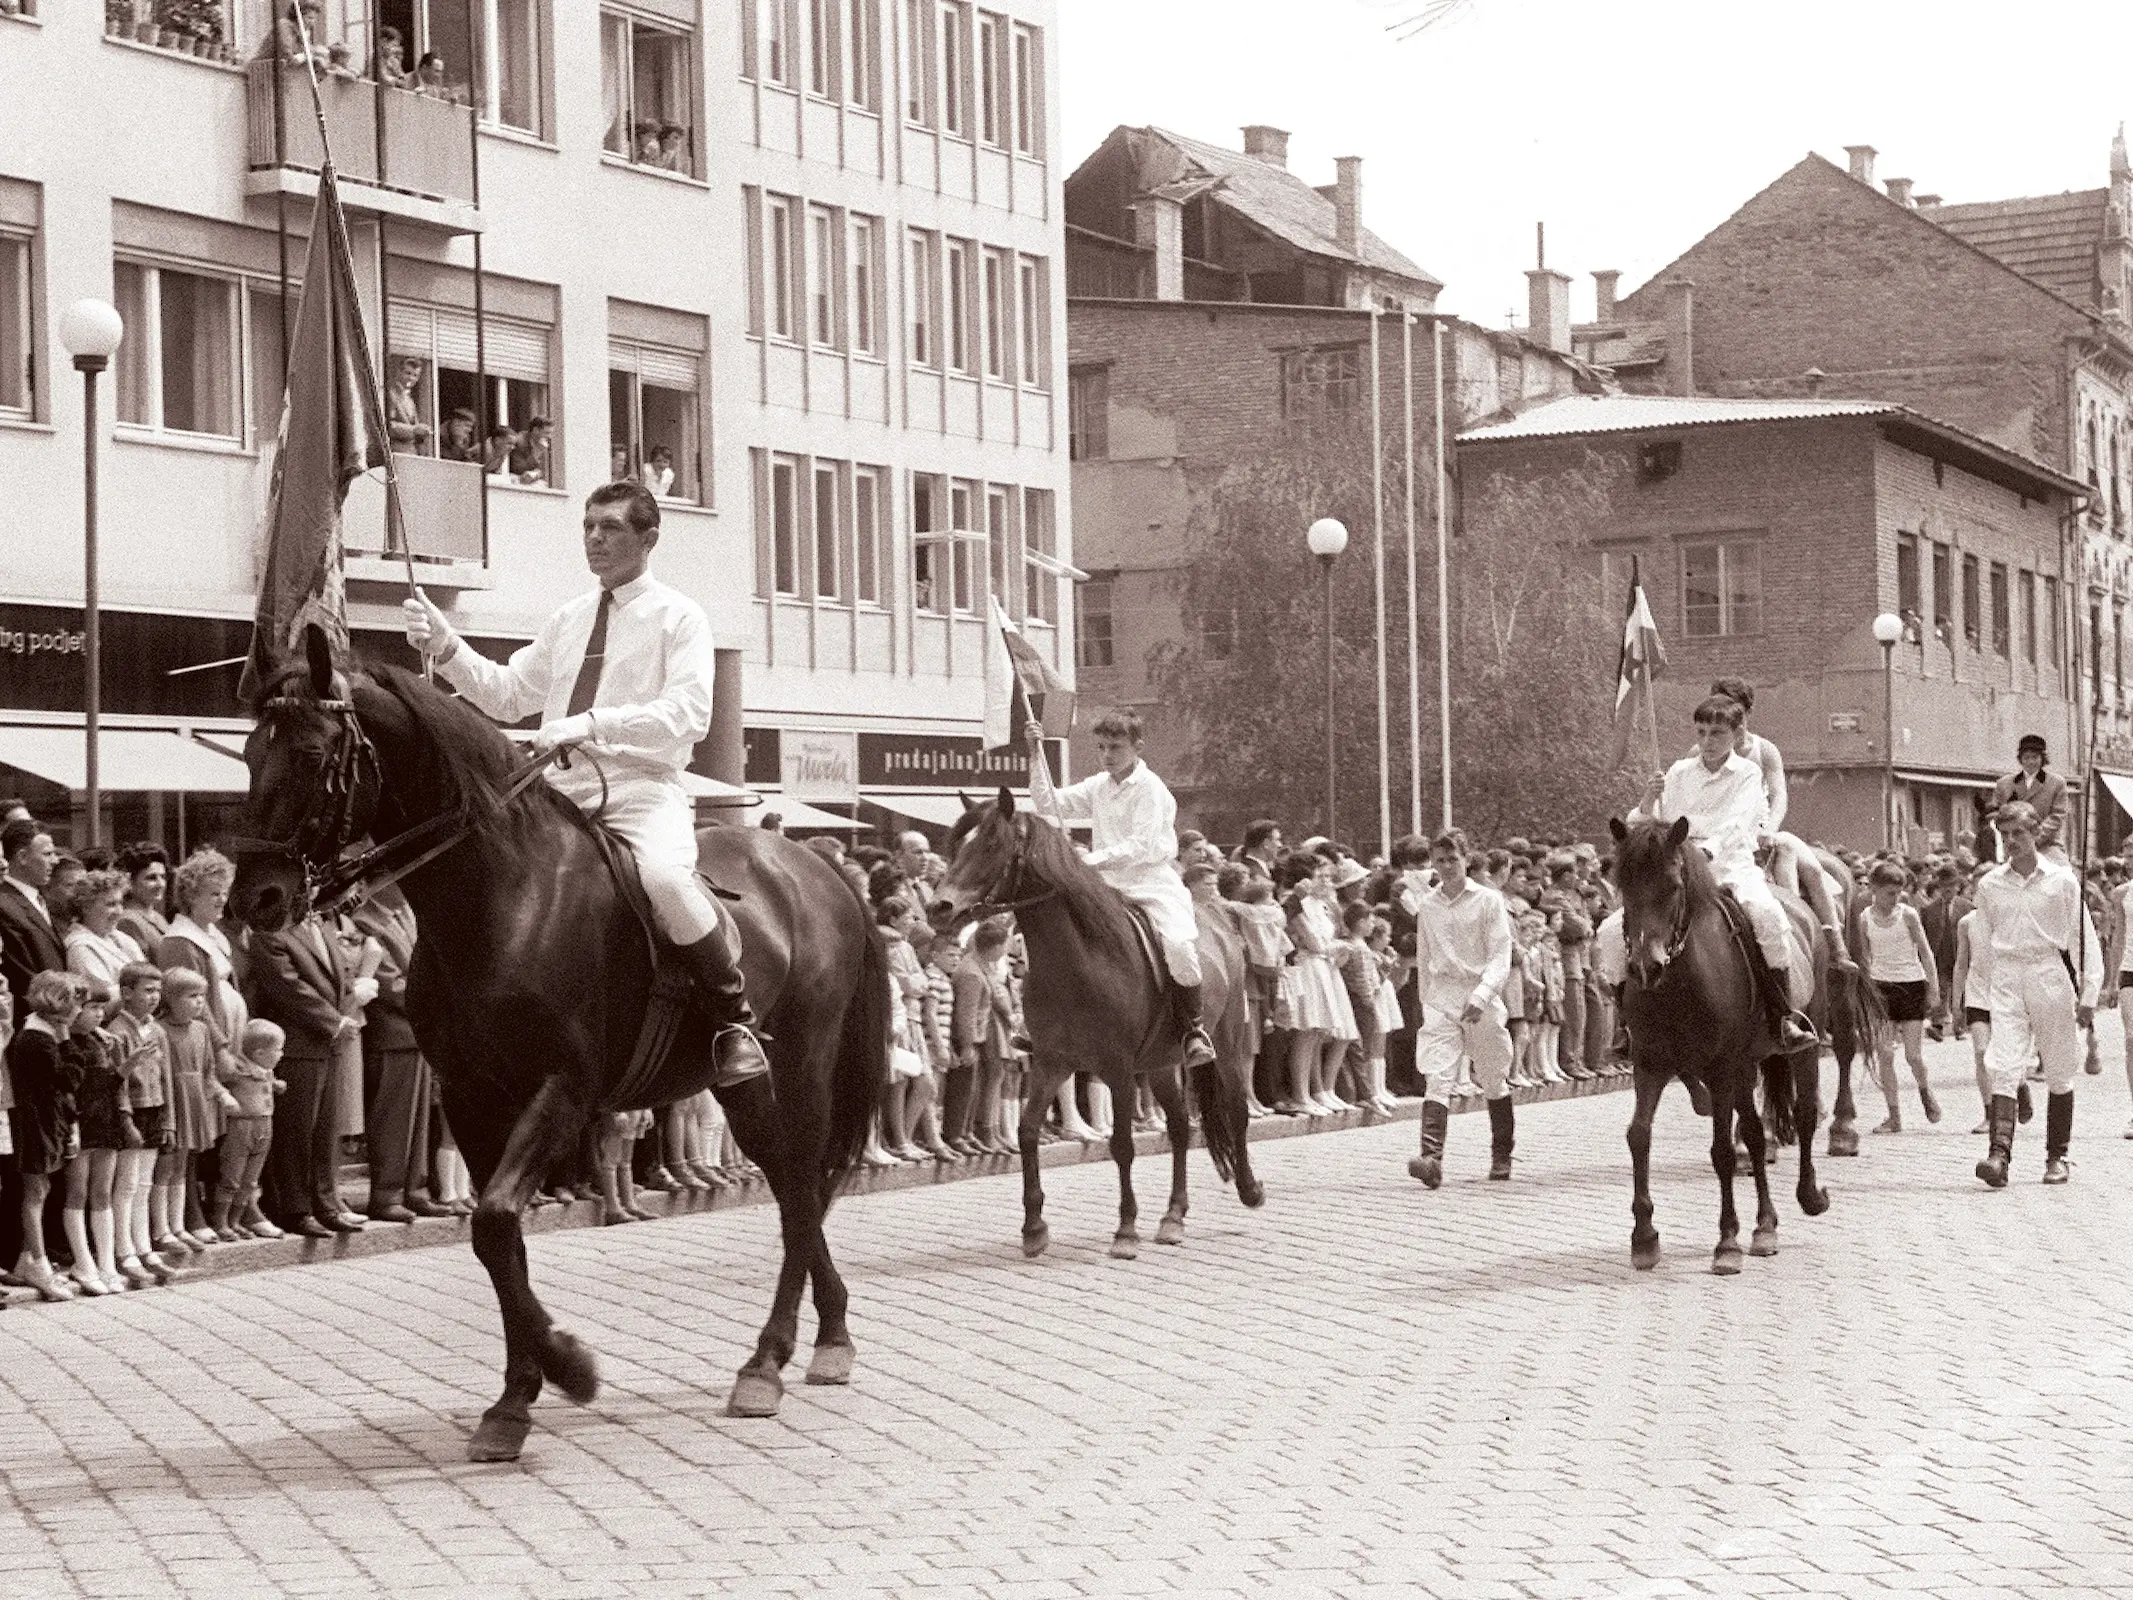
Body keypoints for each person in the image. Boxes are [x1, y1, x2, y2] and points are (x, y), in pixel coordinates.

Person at [401, 481, 768, 1087]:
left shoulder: (680, 616)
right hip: (558, 790)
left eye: (612, 528)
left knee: (667, 881)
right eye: (589, 527)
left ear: (648, 539)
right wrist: (446, 646)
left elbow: (688, 713)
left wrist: (593, 722)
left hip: (639, 789)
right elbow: (507, 694)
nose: (595, 539)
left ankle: (734, 1021)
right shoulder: (570, 617)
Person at [1600, 696, 1819, 1053]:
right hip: (1674, 869)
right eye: (1701, 732)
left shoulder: (1748, 774)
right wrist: (1646, 800)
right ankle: (1627, 1023)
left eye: (1717, 733)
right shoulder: (1677, 773)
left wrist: (1705, 851)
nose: (1707, 741)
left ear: (1736, 733)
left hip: (1728, 866)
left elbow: (1737, 824)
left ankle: (1781, 1017)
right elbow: (1646, 825)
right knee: (1610, 931)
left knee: (1769, 918)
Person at [1031, 711, 1215, 1070]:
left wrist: (1089, 860)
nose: (1107, 754)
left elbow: (1141, 846)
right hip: (1108, 884)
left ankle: (1193, 1028)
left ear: (1137, 747)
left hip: (1151, 882)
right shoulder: (1099, 785)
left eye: (1115, 747)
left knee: (1178, 947)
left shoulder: (1151, 789)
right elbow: (1047, 802)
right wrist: (1035, 753)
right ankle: (1049, 1021)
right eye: (1101, 747)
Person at [1970, 802, 2100, 1188]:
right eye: (2005, 835)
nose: (2011, 842)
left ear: (2036, 833)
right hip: (2007, 977)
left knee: (2059, 1068)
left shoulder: (2062, 880)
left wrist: (2089, 992)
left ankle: (2057, 1156)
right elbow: (1983, 945)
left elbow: (2083, 938)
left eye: (2018, 834)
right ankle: (1998, 1156)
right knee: (2003, 1063)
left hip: (2049, 974)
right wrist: (1980, 993)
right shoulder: (1990, 884)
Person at [1703, 677, 1856, 972]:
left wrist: (1769, 829)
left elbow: (1779, 795)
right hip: (1720, 837)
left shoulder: (1765, 750)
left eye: (1732, 711)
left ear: (1745, 713)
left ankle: (1833, 942)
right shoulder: (1702, 752)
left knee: (1808, 866)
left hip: (1761, 829)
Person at [1406, 828, 1517, 1187]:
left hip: (1479, 995)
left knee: (1492, 1077)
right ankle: (1430, 1158)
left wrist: (1483, 994)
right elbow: (1425, 958)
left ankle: (1501, 1155)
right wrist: (1427, 1001)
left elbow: (1501, 953)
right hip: (1442, 998)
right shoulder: (1428, 905)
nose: (1447, 866)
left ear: (1466, 859)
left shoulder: (1488, 901)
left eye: (1453, 858)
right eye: (1440, 860)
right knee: (1437, 1076)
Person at [248, 909, 358, 1237]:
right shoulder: (270, 935)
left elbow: (344, 976)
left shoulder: (320, 925)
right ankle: (294, 1209)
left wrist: (344, 1016)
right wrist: (333, 1021)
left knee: (325, 1129)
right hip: (297, 1044)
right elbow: (288, 986)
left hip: (329, 1043)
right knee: (296, 1131)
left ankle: (325, 1203)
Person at [351, 884, 438, 1221]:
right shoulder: (367, 921)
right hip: (391, 1030)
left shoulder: (406, 914)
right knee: (393, 1117)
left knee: (418, 1120)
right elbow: (389, 982)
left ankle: (415, 1189)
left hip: (417, 1030)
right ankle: (386, 1194)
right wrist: (433, 1000)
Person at [8, 971, 82, 1300]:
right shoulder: (37, 1039)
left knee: (43, 1187)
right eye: (75, 1002)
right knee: (35, 1190)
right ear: (59, 1004)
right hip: (33, 1122)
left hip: (45, 1120)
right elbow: (70, 1079)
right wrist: (67, 1039)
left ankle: (27, 1258)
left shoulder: (41, 1034)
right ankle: (39, 1263)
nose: (80, 1009)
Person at [1859, 861, 1942, 1132]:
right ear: (1874, 889)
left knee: (1913, 1056)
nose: (1894, 899)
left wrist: (1933, 988)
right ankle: (1894, 1115)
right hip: (1881, 988)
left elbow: (1925, 951)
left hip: (1911, 985)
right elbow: (1864, 955)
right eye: (1889, 894)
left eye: (1898, 893)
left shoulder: (1907, 915)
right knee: (1884, 1053)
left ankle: (1925, 1091)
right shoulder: (1865, 919)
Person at [212, 1020, 285, 1241]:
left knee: (250, 1180)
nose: (281, 1054)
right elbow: (214, 1079)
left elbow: (266, 1084)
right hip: (242, 1126)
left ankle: (237, 1219)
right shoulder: (238, 1068)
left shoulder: (266, 1070)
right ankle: (220, 1221)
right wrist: (225, 1097)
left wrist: (276, 1085)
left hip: (264, 1125)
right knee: (231, 1177)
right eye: (278, 1050)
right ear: (260, 1053)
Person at [1984, 734, 2069, 863]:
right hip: (2014, 844)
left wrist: (2034, 837)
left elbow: (2057, 816)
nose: (2030, 762)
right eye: (2026, 758)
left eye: (2034, 758)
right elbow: (1996, 813)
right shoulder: (2004, 783)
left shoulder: (2056, 783)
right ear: (2020, 759)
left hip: (2047, 845)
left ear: (2042, 759)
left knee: (2063, 873)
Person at [386, 356, 431, 452]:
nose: (411, 378)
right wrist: (414, 430)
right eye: (408, 373)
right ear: (399, 372)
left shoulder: (410, 400)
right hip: (395, 451)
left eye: (415, 375)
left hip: (410, 453)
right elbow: (388, 425)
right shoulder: (390, 395)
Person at [510, 417, 552, 486]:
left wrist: (536, 473)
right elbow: (518, 468)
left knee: (543, 485)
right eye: (546, 433)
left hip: (525, 479)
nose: (549, 437)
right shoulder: (520, 441)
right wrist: (537, 452)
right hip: (512, 478)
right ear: (535, 430)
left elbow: (540, 470)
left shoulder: (539, 444)